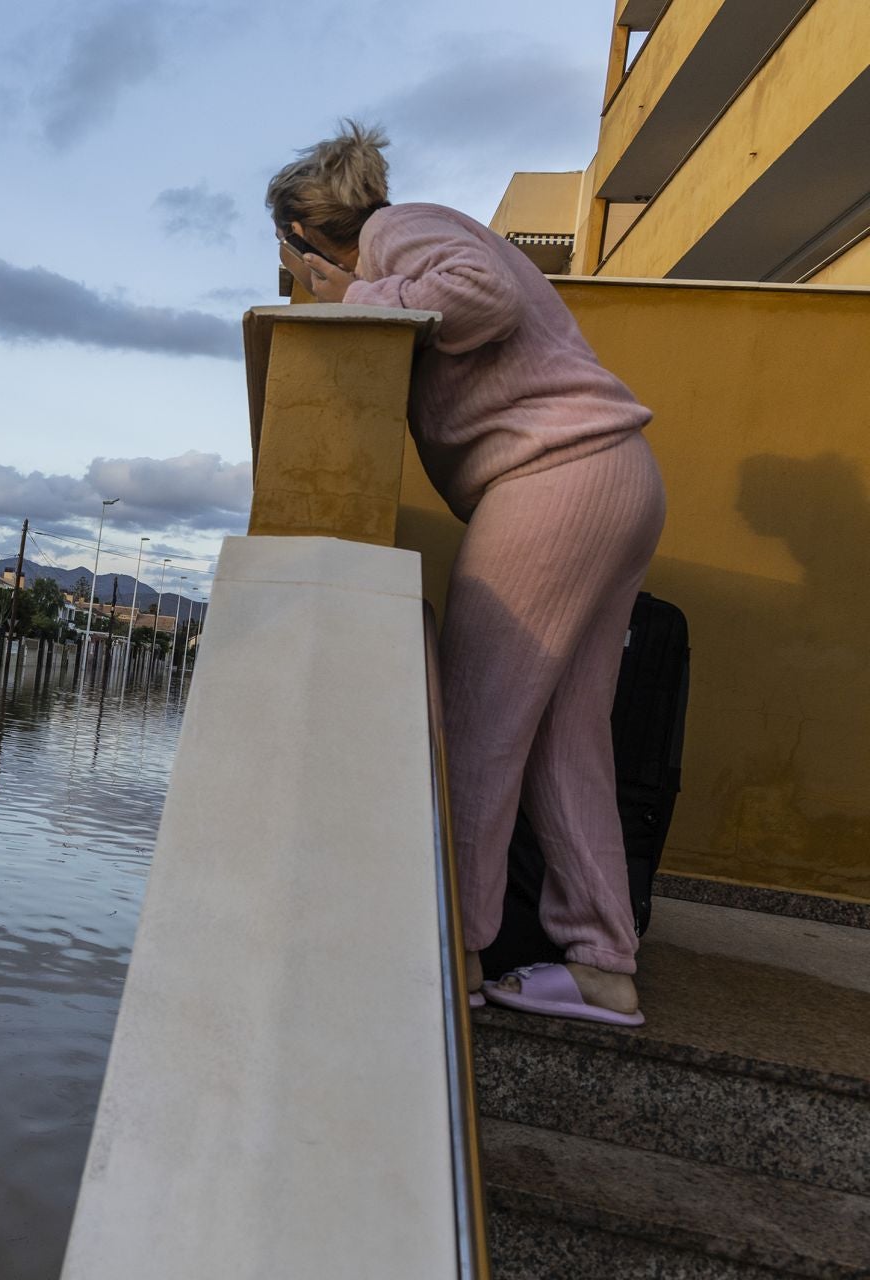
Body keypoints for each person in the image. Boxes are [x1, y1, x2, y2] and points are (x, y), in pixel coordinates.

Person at [265, 122, 666, 1026]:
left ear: (299, 232)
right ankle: (602, 959)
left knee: (474, 721)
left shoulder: (398, 231)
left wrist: (357, 286)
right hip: (611, 474)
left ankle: (454, 950)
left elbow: (482, 297)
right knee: (569, 738)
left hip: (552, 478)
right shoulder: (406, 247)